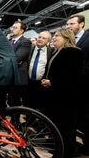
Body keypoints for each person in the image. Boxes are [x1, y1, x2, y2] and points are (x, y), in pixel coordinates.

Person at [41, 28, 83, 158]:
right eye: (53, 36)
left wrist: (52, 82)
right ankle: (60, 150)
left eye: (57, 36)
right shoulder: (57, 51)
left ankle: (66, 152)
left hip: (66, 97)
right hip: (57, 95)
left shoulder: (72, 52)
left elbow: (70, 75)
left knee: (66, 127)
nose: (53, 38)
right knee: (58, 126)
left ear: (66, 37)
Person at [66, 14, 89, 156]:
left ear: (81, 24)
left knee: (86, 118)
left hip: (85, 85)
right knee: (71, 118)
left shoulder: (87, 38)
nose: (68, 26)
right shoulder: (69, 39)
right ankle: (71, 147)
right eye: (67, 24)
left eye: (72, 24)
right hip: (70, 87)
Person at [24, 31, 53, 108]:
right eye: (39, 37)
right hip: (28, 81)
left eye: (44, 38)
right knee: (27, 101)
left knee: (39, 103)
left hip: (41, 83)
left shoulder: (51, 51)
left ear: (48, 41)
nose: (40, 39)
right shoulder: (30, 49)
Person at [7, 21, 31, 106]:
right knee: (5, 100)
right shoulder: (9, 41)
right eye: (12, 27)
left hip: (17, 77)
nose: (12, 29)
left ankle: (15, 119)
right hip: (7, 75)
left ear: (21, 31)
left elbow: (16, 58)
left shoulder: (25, 42)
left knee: (14, 101)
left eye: (15, 28)